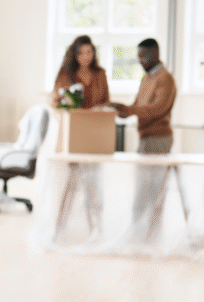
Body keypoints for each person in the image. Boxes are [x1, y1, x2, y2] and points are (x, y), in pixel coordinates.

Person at [110, 38, 177, 241]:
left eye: (144, 56)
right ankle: (139, 233)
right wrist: (122, 109)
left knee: (154, 191)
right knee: (141, 189)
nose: (140, 60)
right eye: (138, 56)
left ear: (155, 54)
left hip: (159, 139)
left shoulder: (166, 79)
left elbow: (157, 109)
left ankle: (153, 236)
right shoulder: (146, 78)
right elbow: (138, 105)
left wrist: (129, 110)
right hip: (145, 139)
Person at [52, 35, 110, 239]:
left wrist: (96, 110)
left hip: (93, 133)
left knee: (93, 182)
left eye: (89, 52)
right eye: (81, 53)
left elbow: (105, 100)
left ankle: (96, 227)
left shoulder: (100, 74)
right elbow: (57, 103)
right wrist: (70, 107)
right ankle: (62, 227)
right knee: (70, 183)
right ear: (74, 55)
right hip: (72, 133)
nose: (85, 57)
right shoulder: (66, 74)